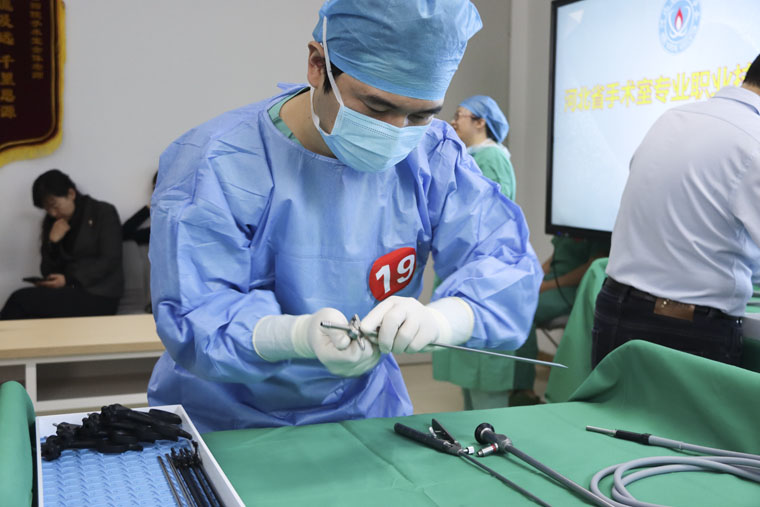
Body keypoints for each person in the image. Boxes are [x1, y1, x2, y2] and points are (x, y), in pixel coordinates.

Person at [148, 0, 542, 432]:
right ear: (318, 65)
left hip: (365, 412)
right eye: (375, 107)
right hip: (224, 417)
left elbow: (503, 262)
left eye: (420, 114)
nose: (396, 131)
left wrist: (442, 320)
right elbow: (197, 312)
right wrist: (295, 336)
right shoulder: (218, 162)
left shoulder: (434, 156)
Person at [592, 53, 760, 368]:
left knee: (613, 403)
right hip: (688, 330)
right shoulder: (755, 138)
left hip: (617, 308)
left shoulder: (673, 117)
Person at [432, 94, 523, 409]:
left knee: (486, 373)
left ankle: (491, 432)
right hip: (465, 269)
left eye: (460, 115)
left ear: (481, 122)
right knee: (469, 371)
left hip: (483, 274)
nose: (452, 121)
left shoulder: (491, 158)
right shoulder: (470, 157)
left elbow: (490, 217)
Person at [0, 170, 124, 320]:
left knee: (20, 300)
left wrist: (69, 279)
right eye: (47, 209)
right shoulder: (53, 223)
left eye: (54, 205)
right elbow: (47, 271)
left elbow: (110, 260)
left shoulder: (103, 212)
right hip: (69, 291)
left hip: (99, 294)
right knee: (24, 307)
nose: (52, 213)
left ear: (71, 194)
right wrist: (52, 242)